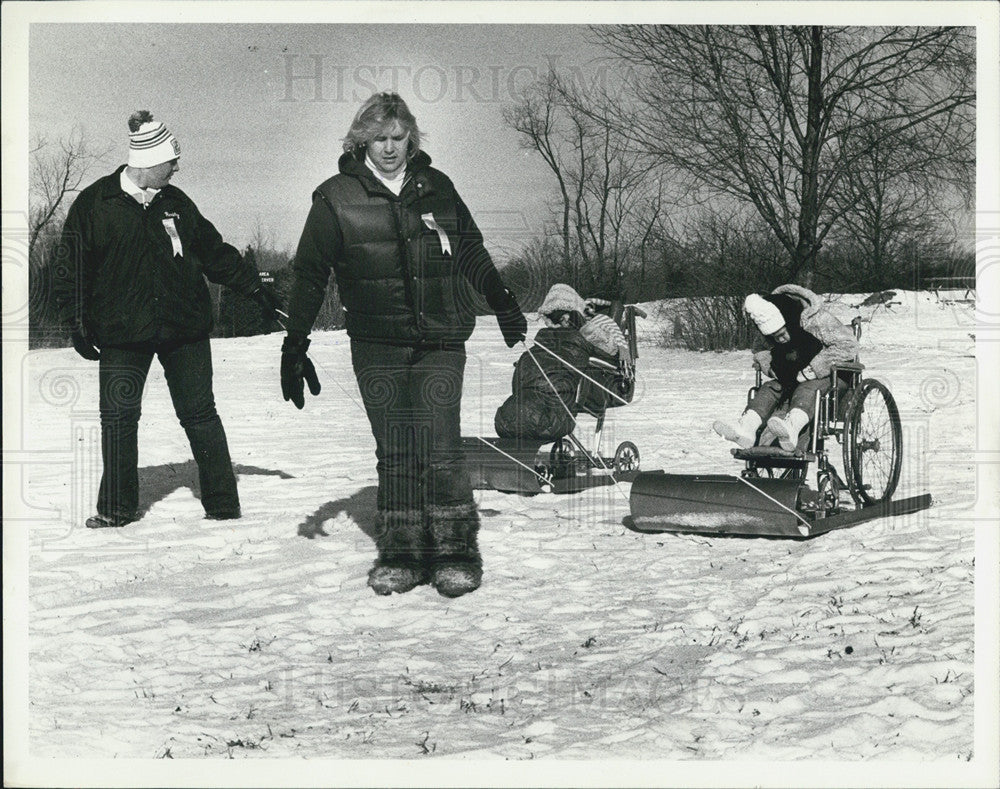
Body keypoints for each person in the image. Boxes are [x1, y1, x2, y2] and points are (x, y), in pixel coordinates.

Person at [281, 92, 526, 598]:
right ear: (361, 141)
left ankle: (456, 552)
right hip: (377, 342)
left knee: (439, 445)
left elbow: (471, 248)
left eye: (398, 138)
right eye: (379, 139)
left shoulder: (437, 187)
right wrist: (295, 340)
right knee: (395, 449)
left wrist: (501, 299)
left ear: (411, 139)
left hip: (441, 337)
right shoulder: (336, 196)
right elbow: (309, 274)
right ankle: (401, 553)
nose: (389, 149)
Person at [54, 111, 281, 529]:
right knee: (119, 419)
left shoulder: (177, 203)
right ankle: (117, 509)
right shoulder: (95, 204)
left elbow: (215, 253)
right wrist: (76, 323)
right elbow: (70, 268)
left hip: (184, 328)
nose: (177, 166)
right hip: (122, 332)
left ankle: (223, 505)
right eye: (172, 160)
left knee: (200, 415)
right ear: (148, 159)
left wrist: (256, 289)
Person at [713, 284, 859, 451]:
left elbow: (848, 345)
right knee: (770, 388)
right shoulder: (768, 315)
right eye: (775, 338)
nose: (780, 340)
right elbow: (761, 349)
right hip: (793, 378)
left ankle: (792, 427)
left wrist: (813, 369)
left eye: (782, 334)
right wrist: (772, 368)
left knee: (809, 387)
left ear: (789, 323)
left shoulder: (817, 319)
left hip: (832, 378)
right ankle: (747, 428)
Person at [494, 284, 598, 441]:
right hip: (538, 410)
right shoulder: (543, 344)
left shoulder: (586, 336)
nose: (551, 324)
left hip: (535, 415)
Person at [581, 297, 634, 381]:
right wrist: (609, 303)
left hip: (609, 347)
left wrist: (623, 348)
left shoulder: (600, 319)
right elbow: (592, 301)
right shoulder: (586, 322)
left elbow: (615, 332)